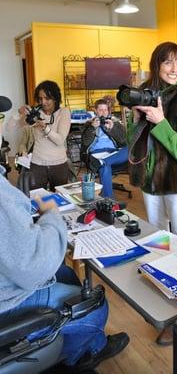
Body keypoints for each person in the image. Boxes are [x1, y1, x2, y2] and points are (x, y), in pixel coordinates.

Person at [0, 97, 129, 372]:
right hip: (8, 302)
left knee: (67, 273)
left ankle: (90, 346)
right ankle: (75, 359)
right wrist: (51, 217)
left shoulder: (67, 115)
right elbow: (31, 264)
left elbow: (116, 140)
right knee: (96, 304)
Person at [127, 41, 177, 245]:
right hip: (151, 182)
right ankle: (163, 275)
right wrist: (135, 121)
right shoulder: (146, 95)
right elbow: (134, 146)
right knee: (158, 238)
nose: (174, 70)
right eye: (168, 63)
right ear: (156, 65)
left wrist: (161, 122)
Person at [16, 80, 71, 191]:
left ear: (55, 98)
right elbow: (13, 127)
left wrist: (44, 127)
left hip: (59, 164)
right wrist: (19, 114)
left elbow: (59, 140)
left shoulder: (63, 112)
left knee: (61, 200)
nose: (43, 102)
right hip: (37, 163)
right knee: (36, 198)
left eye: (47, 98)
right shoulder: (35, 113)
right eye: (40, 99)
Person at [80, 98, 128, 198]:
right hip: (97, 154)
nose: (103, 112)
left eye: (105, 110)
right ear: (96, 111)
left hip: (113, 154)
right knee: (105, 168)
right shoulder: (89, 124)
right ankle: (109, 200)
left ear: (108, 111)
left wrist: (112, 129)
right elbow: (85, 143)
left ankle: (103, 162)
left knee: (130, 149)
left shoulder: (115, 123)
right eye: (101, 110)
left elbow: (123, 141)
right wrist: (92, 128)